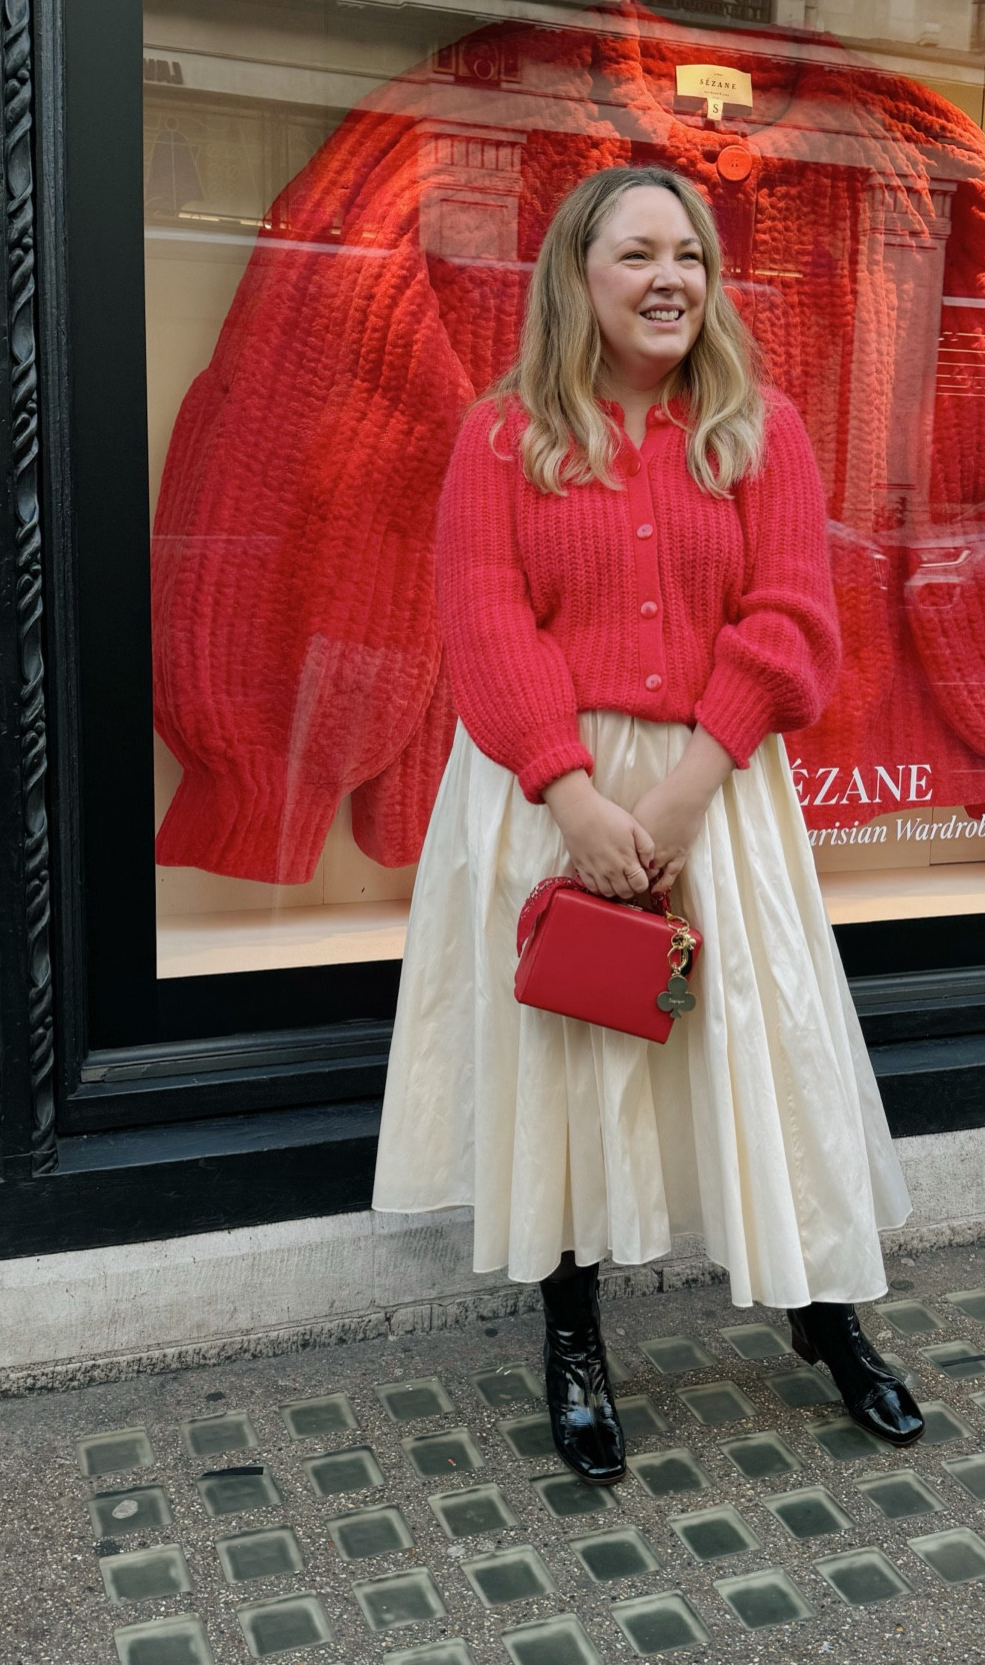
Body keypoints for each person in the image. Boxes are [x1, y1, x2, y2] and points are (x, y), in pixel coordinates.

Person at [371, 164, 920, 1484]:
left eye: (689, 254)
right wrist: (572, 793)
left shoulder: (759, 427)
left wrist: (677, 796)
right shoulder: (502, 436)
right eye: (636, 254)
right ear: (579, 275)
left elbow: (792, 618)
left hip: (714, 793)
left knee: (762, 1050)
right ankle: (573, 1339)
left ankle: (821, 1310)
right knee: (568, 1073)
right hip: (545, 794)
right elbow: (484, 622)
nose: (669, 277)